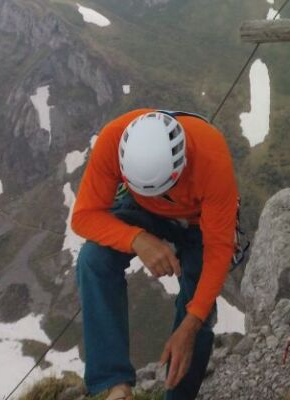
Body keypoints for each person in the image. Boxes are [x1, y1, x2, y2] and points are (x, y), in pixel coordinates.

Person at [72, 109, 240, 400]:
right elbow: (84, 216)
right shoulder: (113, 139)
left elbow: (218, 250)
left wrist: (190, 325)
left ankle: (178, 396)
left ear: (182, 164)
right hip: (140, 211)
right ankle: (115, 385)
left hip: (198, 222)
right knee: (93, 259)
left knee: (196, 308)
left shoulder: (210, 155)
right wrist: (136, 239)